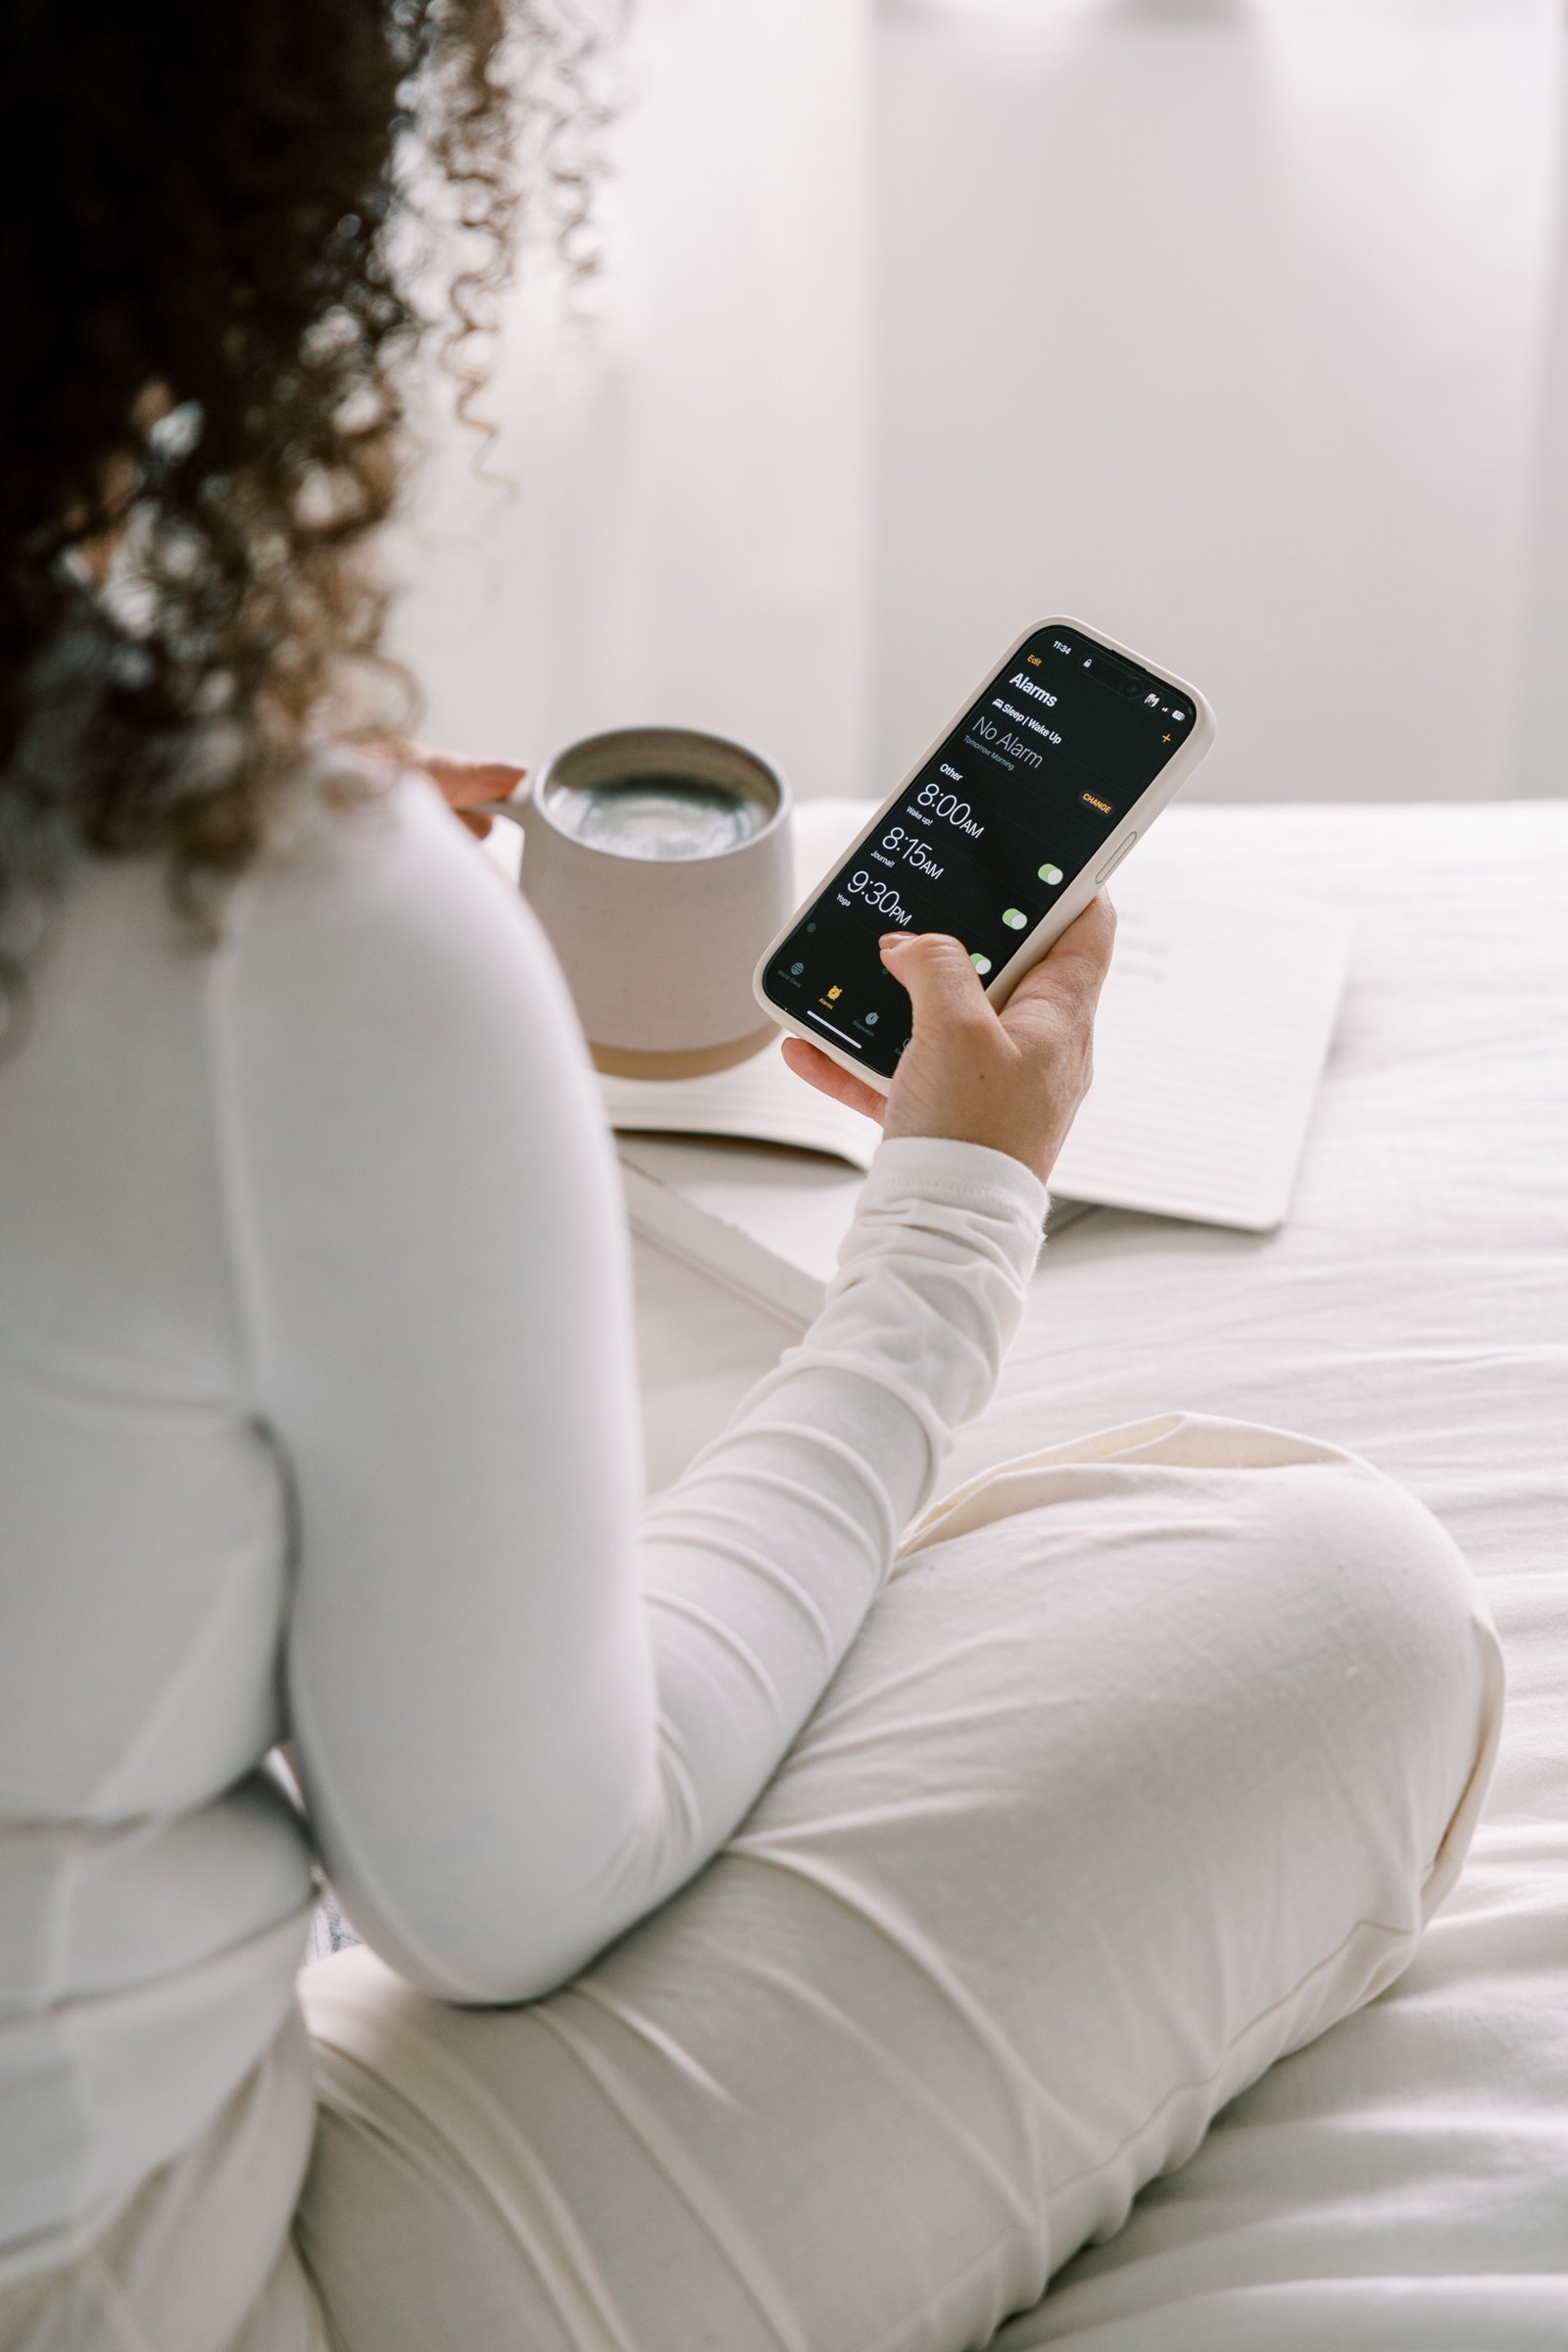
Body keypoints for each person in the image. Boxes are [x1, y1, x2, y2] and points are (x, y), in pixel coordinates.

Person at [0, 6, 1502, 2349]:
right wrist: (949, 1219)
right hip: (148, 2290)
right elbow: (499, 1900)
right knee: (1336, 1606)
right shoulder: (247, 939)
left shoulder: (253, 935)